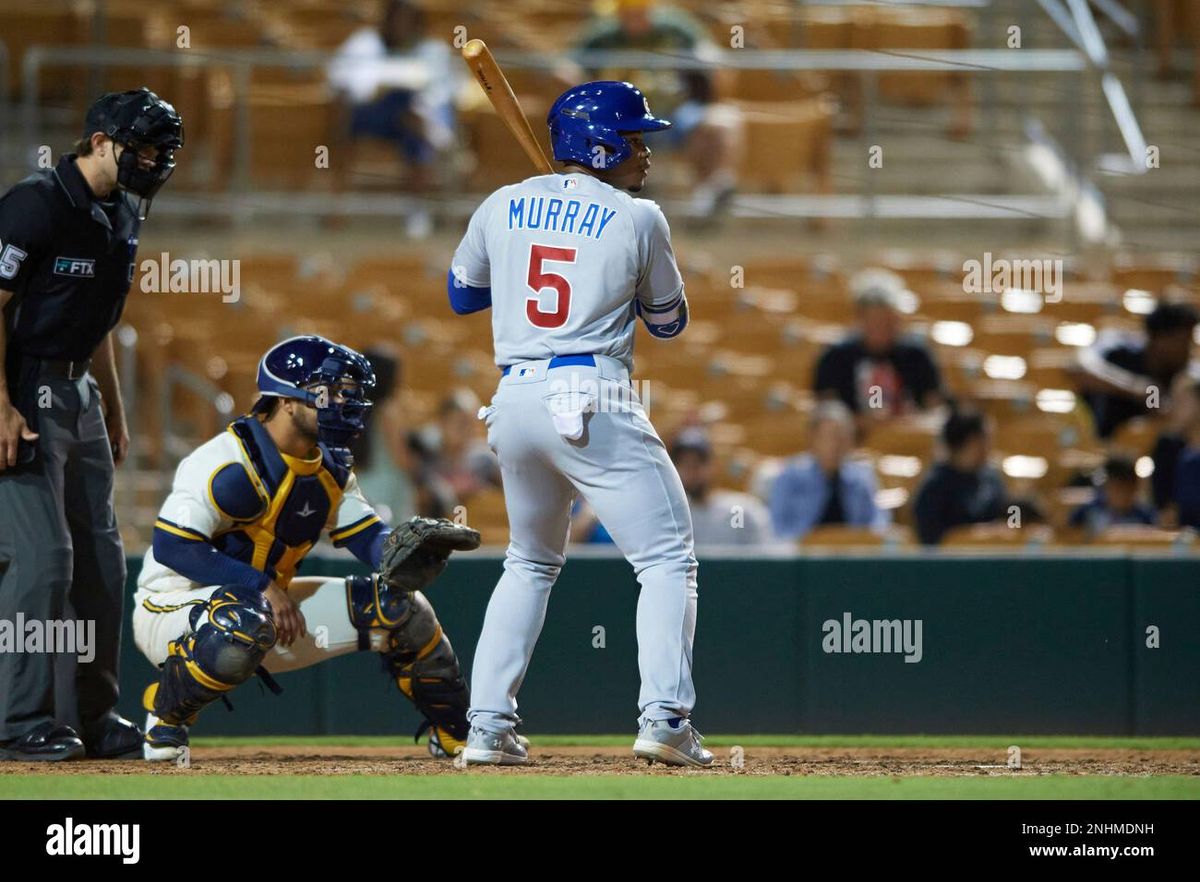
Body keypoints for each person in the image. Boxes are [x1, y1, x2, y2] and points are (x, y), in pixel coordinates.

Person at [449, 81, 711, 767]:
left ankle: (485, 728)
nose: (646, 152)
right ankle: (665, 717)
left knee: (529, 561)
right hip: (590, 392)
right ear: (597, 145)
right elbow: (670, 321)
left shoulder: (501, 202)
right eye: (634, 138)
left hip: (513, 400)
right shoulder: (640, 216)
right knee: (665, 560)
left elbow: (463, 295)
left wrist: (536, 229)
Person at [130, 337, 481, 761]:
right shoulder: (225, 462)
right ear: (286, 401)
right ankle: (165, 719)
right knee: (241, 618)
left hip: (269, 615)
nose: (340, 403)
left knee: (403, 608)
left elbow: (369, 539)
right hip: (173, 608)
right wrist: (261, 585)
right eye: (326, 393)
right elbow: (172, 547)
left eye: (345, 394)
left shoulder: (330, 465)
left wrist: (409, 551)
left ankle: (457, 734)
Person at [0, 89, 183, 762]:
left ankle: (92, 715)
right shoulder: (36, 204)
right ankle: (20, 722)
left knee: (102, 567)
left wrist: (112, 402)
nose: (153, 161)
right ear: (99, 141)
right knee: (44, 562)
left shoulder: (121, 213)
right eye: (141, 147)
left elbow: (101, 316)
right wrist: (1, 403)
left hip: (77, 393)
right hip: (22, 388)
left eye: (162, 152)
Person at [576, 0, 743, 218]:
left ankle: (711, 195)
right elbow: (569, 67)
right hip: (622, 119)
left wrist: (710, 61)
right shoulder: (600, 35)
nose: (634, 18)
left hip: (677, 112)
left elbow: (711, 55)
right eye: (627, 12)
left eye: (640, 12)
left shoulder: (677, 27)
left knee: (724, 121)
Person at [327, 0, 459, 238]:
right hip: (369, 116)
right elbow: (341, 82)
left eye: (408, 21)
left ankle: (416, 211)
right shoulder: (364, 43)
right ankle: (437, 135)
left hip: (411, 121)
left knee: (413, 127)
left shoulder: (432, 50)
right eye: (397, 20)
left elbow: (444, 91)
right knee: (403, 102)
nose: (401, 26)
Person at [813, 268, 944, 421]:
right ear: (860, 319)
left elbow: (934, 408)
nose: (880, 328)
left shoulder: (917, 356)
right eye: (873, 322)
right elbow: (827, 414)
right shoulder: (835, 358)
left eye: (886, 321)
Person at [1073, 302, 1198, 439]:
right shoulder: (1119, 353)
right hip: (1104, 443)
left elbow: (1158, 408)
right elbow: (1077, 368)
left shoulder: (1185, 375)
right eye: (1182, 341)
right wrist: (1134, 388)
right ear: (1159, 339)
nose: (1188, 349)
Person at [769, 401, 888, 541]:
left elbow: (878, 522)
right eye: (829, 437)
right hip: (804, 558)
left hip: (853, 557)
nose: (835, 445)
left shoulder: (862, 478)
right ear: (813, 440)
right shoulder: (790, 477)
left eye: (842, 438)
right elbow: (777, 530)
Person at [913, 410, 1009, 546]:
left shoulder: (992, 480)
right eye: (982, 440)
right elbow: (931, 542)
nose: (988, 447)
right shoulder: (933, 488)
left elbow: (1008, 522)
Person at [670, 428, 774, 549]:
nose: (691, 472)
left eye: (697, 464)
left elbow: (767, 556)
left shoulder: (741, 510)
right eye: (684, 464)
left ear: (712, 466)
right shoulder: (671, 517)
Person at [1069, 455, 1157, 535]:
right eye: (1117, 488)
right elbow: (1068, 530)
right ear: (1107, 487)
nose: (1122, 495)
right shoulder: (1090, 510)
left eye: (1127, 489)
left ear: (1134, 489)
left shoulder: (1145, 516)